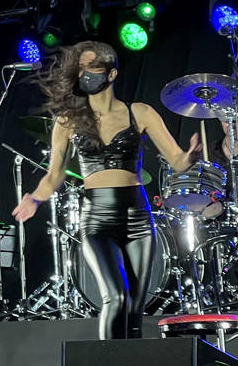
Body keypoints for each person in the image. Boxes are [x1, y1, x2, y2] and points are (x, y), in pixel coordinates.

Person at [13, 41, 199, 339]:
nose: (84, 73)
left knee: (135, 310)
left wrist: (189, 158)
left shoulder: (140, 113)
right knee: (116, 298)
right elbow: (54, 175)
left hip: (138, 218)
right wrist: (35, 197)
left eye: (91, 67)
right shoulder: (67, 120)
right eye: (81, 68)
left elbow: (177, 160)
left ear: (110, 74)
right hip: (97, 219)